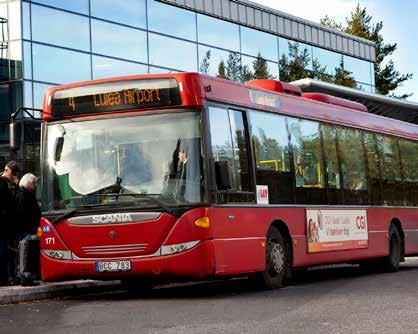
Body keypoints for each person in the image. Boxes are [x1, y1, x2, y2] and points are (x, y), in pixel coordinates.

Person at [15, 173, 41, 286]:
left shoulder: (26, 194)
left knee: (28, 255)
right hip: (26, 232)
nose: (35, 186)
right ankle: (25, 277)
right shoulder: (23, 195)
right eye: (34, 183)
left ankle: (27, 276)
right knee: (25, 254)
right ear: (29, 183)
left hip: (29, 231)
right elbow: (22, 215)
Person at [0, 161, 19, 285]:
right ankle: (4, 279)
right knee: (3, 253)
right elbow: (9, 204)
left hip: (5, 225)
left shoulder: (5, 183)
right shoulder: (2, 184)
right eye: (14, 174)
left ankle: (5, 278)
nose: (14, 177)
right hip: (3, 226)